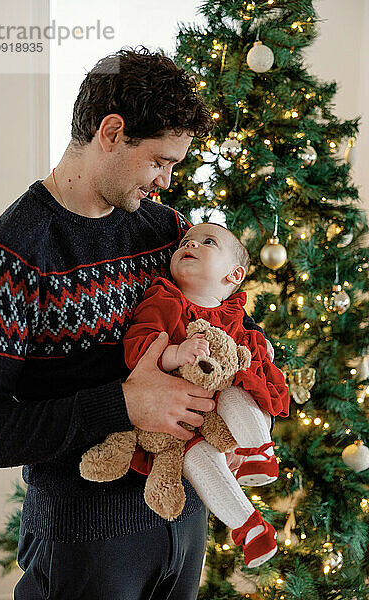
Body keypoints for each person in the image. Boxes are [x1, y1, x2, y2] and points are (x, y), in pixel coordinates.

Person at [0, 47, 272, 599]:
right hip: (84, 545)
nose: (163, 180)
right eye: (160, 161)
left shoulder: (166, 231)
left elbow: (221, 324)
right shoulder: (8, 256)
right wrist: (123, 404)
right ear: (111, 132)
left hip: (184, 522)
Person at [122, 222, 290, 568]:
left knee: (238, 385)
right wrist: (175, 353)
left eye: (207, 242)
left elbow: (254, 355)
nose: (191, 245)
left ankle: (258, 450)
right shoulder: (165, 298)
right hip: (177, 418)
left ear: (234, 274)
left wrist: (263, 352)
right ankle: (249, 527)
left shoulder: (235, 313)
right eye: (186, 241)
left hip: (222, 409)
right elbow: (137, 347)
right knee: (196, 461)